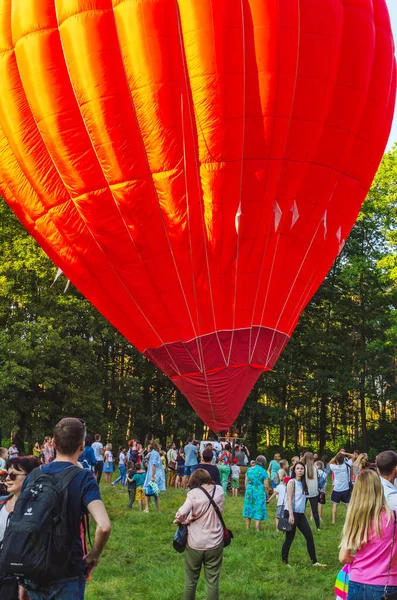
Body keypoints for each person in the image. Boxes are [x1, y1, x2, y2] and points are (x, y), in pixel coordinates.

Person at [22, 417, 112, 600]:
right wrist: (94, 554)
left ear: (53, 443)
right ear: (81, 446)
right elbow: (104, 526)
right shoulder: (84, 478)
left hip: (32, 566)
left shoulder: (33, 475)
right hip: (67, 570)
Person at [339, 469, 397, 599]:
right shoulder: (393, 518)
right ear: (379, 488)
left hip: (357, 582)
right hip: (386, 585)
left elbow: (343, 557)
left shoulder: (355, 519)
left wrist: (362, 561)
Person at [175, 468, 225, 600]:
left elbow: (181, 513)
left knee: (191, 580)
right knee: (213, 581)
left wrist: (181, 519)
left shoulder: (193, 494)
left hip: (195, 543)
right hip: (215, 541)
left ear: (195, 480)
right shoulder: (219, 490)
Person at [0, 455, 39, 600]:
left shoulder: (37, 510)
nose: (7, 479)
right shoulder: (1, 503)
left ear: (30, 477)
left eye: (13, 475)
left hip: (22, 577)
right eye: (5, 474)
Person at [282, 462, 326, 568]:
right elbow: (289, 499)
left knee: (309, 537)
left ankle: (314, 561)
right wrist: (291, 515)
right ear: (294, 470)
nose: (300, 470)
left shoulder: (304, 483)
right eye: (298, 468)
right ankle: (284, 562)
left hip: (300, 514)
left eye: (302, 468)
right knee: (289, 538)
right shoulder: (291, 482)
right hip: (291, 513)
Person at [242, 455, 269, 530]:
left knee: (248, 507)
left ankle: (247, 527)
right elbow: (266, 485)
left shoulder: (249, 470)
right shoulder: (264, 472)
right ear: (263, 463)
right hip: (259, 492)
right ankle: (257, 528)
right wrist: (267, 495)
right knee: (258, 508)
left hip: (249, 491)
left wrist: (247, 491)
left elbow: (246, 482)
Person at [329, 452, 353, 524]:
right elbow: (354, 456)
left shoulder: (334, 467)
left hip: (336, 489)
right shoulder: (347, 465)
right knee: (348, 505)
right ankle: (351, 520)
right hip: (346, 489)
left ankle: (333, 521)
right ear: (344, 459)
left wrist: (337, 456)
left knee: (335, 505)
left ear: (336, 460)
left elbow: (330, 462)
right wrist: (344, 453)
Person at [144, 440, 166, 512]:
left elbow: (154, 465)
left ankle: (147, 508)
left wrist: (152, 476)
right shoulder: (156, 453)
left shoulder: (153, 454)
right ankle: (158, 510)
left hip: (154, 474)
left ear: (150, 446)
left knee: (147, 491)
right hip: (157, 474)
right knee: (156, 492)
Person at [302, 452, 320, 531]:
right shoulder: (315, 468)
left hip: (305, 492)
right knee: (315, 511)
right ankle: (318, 527)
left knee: (301, 510)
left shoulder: (303, 468)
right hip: (314, 492)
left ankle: (301, 525)